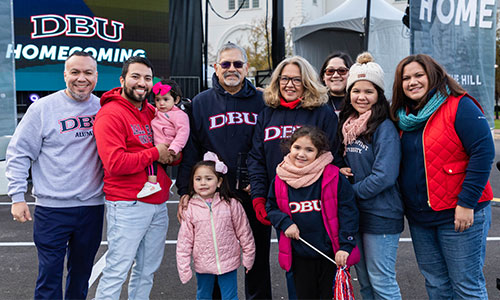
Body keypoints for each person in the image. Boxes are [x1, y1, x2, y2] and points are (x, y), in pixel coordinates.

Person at [390, 54, 494, 299]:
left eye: (418, 75)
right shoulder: (402, 117)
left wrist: (467, 203)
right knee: (436, 285)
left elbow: (483, 152)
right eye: (406, 78)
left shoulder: (459, 105)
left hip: (459, 214)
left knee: (466, 286)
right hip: (421, 217)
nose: (412, 82)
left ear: (433, 75)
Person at [6, 51, 104, 300]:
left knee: (81, 275)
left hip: (92, 208)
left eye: (87, 72)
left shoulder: (104, 109)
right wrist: (17, 197)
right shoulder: (43, 109)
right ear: (64, 75)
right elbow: (19, 153)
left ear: (96, 76)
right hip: (52, 210)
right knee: (49, 275)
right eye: (75, 72)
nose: (81, 78)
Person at [176, 42, 268, 299]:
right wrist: (185, 189)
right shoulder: (202, 102)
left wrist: (262, 183)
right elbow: (192, 149)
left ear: (247, 67)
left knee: (257, 257)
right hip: (215, 196)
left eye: (238, 64)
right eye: (225, 64)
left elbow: (267, 148)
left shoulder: (262, 101)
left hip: (253, 191)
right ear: (215, 67)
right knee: (215, 259)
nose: (231, 69)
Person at [247, 55, 338, 298]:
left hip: (314, 203)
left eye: (296, 79)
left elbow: (332, 156)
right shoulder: (267, 113)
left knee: (321, 265)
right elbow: (256, 158)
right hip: (281, 202)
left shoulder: (322, 113)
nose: (289, 84)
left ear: (306, 82)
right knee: (293, 267)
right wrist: (258, 197)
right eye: (284, 78)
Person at [93, 56, 176, 300]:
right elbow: (115, 163)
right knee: (117, 271)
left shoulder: (152, 111)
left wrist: (172, 154)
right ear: (122, 80)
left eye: (147, 78)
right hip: (128, 204)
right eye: (136, 77)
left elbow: (166, 150)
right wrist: (155, 153)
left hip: (158, 205)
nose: (142, 83)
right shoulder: (111, 114)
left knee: (146, 272)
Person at [265, 126, 359, 299]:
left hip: (330, 254)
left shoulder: (333, 176)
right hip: (300, 255)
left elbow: (349, 213)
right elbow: (271, 207)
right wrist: (285, 223)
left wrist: (346, 246)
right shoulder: (281, 177)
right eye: (297, 148)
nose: (301, 154)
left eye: (309, 150)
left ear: (319, 153)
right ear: (289, 147)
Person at [338, 52, 403, 299]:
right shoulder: (348, 125)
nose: (361, 97)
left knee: (382, 282)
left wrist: (349, 193)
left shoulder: (384, 127)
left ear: (378, 95)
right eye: (356, 91)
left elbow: (384, 175)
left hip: (381, 214)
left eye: (369, 91)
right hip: (355, 215)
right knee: (364, 282)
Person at [176, 151, 256, 299]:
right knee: (204, 296)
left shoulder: (231, 204)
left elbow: (244, 232)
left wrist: (248, 257)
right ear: (192, 182)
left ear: (219, 182)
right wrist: (184, 267)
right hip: (203, 264)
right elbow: (184, 241)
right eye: (198, 179)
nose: (203, 183)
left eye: (208, 178)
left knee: (230, 296)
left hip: (229, 262)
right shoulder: (190, 208)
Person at [137, 79, 189, 198]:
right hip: (160, 144)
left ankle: (152, 183)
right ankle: (164, 185)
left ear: (176, 100)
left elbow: (183, 132)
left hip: (167, 146)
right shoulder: (157, 111)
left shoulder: (178, 114)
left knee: (151, 160)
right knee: (161, 169)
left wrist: (175, 147)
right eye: (158, 99)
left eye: (166, 99)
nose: (161, 103)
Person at [319, 52, 353, 116]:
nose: (335, 75)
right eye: (330, 71)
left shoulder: (359, 102)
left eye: (342, 71)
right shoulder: (316, 104)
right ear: (323, 76)